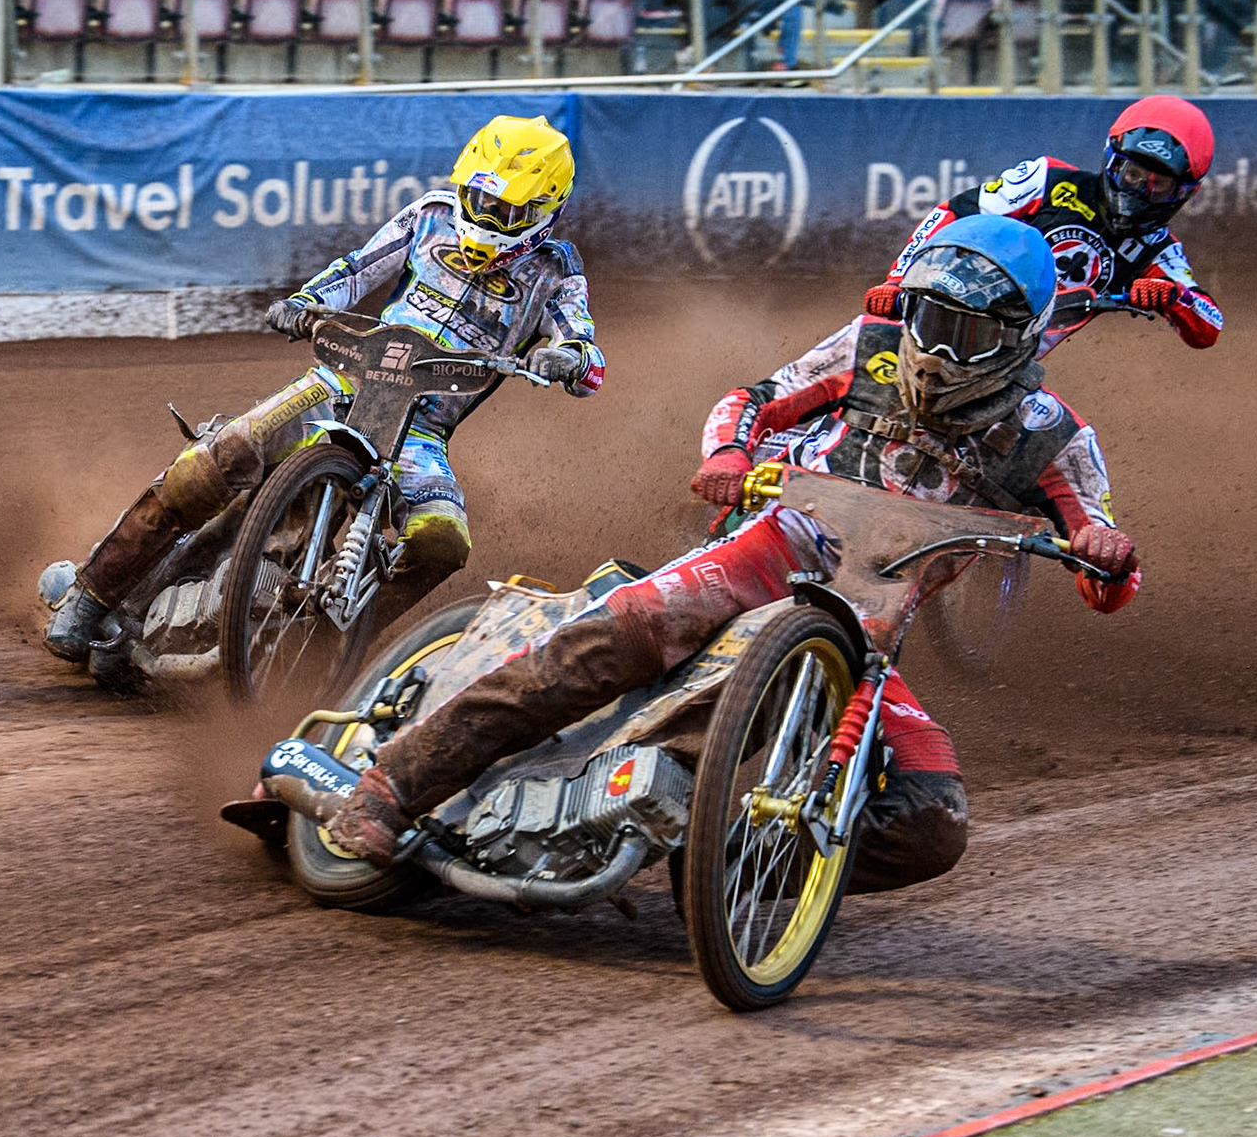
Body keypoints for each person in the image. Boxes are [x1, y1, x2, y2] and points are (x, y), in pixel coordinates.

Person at [322, 215, 1141, 893]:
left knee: (933, 824)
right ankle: (389, 787)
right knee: (616, 635)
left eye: (967, 333)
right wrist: (728, 457)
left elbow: (1103, 566)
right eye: (930, 320)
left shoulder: (1053, 436)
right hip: (774, 545)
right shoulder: (871, 345)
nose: (941, 348)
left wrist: (1107, 551)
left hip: (872, 621)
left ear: (1019, 337)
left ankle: (729, 870)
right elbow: (753, 399)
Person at [41, 114, 605, 665]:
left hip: (419, 431)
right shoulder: (431, 216)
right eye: (478, 200)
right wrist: (307, 304)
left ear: (543, 212)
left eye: (504, 210)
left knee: (444, 540)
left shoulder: (555, 273)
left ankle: (325, 651)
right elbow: (358, 269)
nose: (485, 216)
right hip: (340, 383)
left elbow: (586, 354)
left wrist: (569, 359)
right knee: (218, 459)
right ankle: (89, 598)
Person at [865, 95, 1222, 357]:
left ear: (1185, 193)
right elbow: (952, 214)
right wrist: (897, 280)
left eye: (1158, 186)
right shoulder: (1046, 180)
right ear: (1111, 161)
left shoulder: (1158, 251)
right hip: (941, 313)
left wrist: (1175, 297)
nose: (1139, 190)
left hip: (1007, 365)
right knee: (856, 353)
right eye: (1131, 175)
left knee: (1051, 436)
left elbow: (1210, 326)